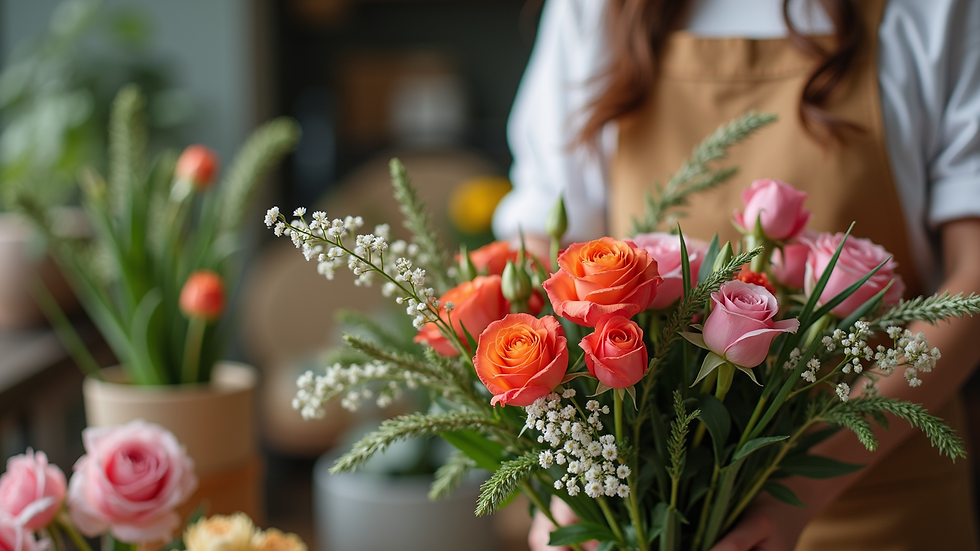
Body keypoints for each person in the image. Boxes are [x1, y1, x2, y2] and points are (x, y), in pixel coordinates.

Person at [492, 0, 980, 549]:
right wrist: (579, 488)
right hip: (649, 504)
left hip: (881, 499)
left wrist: (797, 487)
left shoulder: (935, 10)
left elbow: (975, 281)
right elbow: (545, 244)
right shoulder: (595, 10)